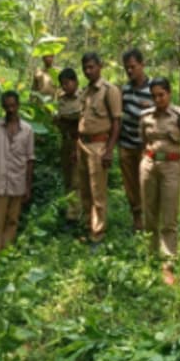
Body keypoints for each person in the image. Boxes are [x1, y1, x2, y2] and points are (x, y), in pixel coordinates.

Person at [139, 78, 180, 285]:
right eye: (154, 96)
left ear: (169, 94)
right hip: (148, 165)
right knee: (149, 212)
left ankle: (168, 263)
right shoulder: (145, 117)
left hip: (172, 167)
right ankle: (150, 255)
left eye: (161, 95)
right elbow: (143, 141)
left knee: (169, 216)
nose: (157, 99)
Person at [76, 53, 122, 245]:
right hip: (82, 145)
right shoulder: (84, 92)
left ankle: (98, 234)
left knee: (98, 192)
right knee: (85, 191)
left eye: (92, 67)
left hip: (98, 145)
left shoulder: (109, 90)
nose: (88, 71)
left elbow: (117, 122)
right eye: (85, 68)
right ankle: (89, 227)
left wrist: (109, 150)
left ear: (100, 66)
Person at [0, 91, 35, 257]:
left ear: (18, 105)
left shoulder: (27, 130)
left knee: (13, 221)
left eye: (13, 105)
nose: (10, 109)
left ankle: (5, 256)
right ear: (3, 107)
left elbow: (30, 160)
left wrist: (28, 186)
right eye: (7, 106)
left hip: (18, 183)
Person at [119, 48, 154, 231]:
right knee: (130, 183)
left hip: (146, 146)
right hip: (127, 143)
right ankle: (137, 219)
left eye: (133, 67)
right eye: (127, 68)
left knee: (147, 182)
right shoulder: (125, 89)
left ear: (142, 65)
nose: (130, 71)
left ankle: (151, 219)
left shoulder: (153, 89)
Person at [56, 67, 83, 224]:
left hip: (77, 140)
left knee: (76, 180)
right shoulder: (61, 100)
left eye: (67, 83)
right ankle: (69, 209)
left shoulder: (83, 98)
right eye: (62, 84)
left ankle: (74, 216)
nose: (65, 86)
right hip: (65, 141)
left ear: (75, 82)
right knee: (67, 178)